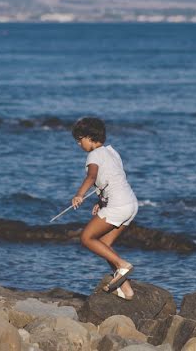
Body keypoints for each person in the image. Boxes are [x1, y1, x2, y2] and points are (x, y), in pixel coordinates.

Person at [70, 116, 138, 300]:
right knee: (104, 245)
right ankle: (126, 289)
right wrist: (101, 201)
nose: (79, 144)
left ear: (89, 137)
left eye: (79, 140)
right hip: (131, 203)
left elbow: (92, 177)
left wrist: (79, 195)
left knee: (86, 238)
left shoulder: (94, 155)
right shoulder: (112, 152)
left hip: (118, 205)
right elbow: (113, 178)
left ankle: (122, 264)